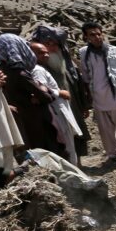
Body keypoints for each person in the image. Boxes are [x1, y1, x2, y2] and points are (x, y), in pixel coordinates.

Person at [78, 22, 116, 163]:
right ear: (86, 37)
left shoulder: (114, 50)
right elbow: (85, 76)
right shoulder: (83, 53)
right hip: (98, 98)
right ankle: (112, 154)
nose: (97, 37)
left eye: (99, 34)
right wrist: (88, 95)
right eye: (92, 35)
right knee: (105, 131)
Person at [0, 34, 64, 157]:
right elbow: (46, 97)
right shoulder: (20, 72)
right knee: (48, 154)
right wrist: (44, 89)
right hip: (35, 121)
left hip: (17, 122)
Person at [33, 25, 91, 157]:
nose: (53, 48)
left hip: (73, 107)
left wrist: (84, 106)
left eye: (56, 44)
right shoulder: (37, 69)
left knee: (76, 137)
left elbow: (77, 86)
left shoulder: (67, 64)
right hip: (54, 111)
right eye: (48, 44)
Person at [27, 41, 82, 165]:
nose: (46, 55)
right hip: (55, 111)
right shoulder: (37, 70)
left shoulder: (38, 69)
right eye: (41, 53)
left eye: (46, 53)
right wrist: (59, 92)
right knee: (67, 145)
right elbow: (42, 92)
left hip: (56, 110)